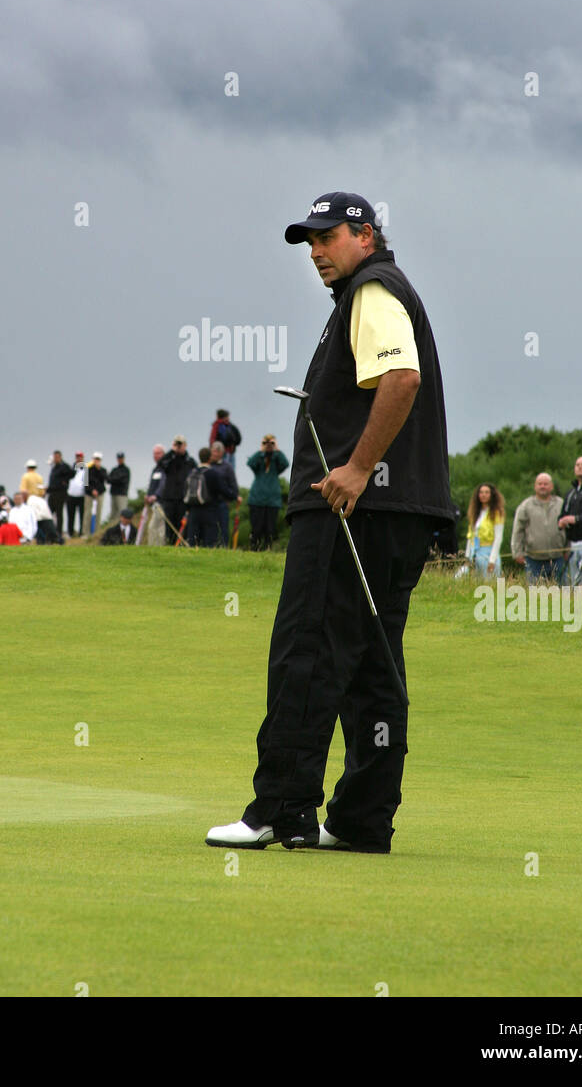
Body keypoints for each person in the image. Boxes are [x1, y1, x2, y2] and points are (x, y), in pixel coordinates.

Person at [207, 190, 455, 853]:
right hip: (399, 515)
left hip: (355, 508)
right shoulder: (376, 292)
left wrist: (353, 467)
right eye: (309, 243)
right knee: (373, 666)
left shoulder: (372, 290)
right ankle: (360, 821)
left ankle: (280, 811)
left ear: (365, 236)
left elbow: (402, 379)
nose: (316, 252)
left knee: (308, 650)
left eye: (327, 238)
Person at [511, 474, 566, 582]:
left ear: (551, 487)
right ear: (535, 487)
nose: (542, 486)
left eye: (546, 484)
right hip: (533, 560)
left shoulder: (561, 504)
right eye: (540, 484)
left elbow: (569, 528)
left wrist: (568, 549)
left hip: (558, 557)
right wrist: (517, 552)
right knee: (535, 595)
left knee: (562, 594)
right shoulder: (526, 506)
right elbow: (518, 530)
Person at [246, 434, 288, 550]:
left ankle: (268, 549)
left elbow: (286, 464)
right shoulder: (259, 459)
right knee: (256, 528)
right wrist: (261, 450)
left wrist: (277, 449)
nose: (269, 446)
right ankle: (254, 549)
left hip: (272, 500)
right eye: (266, 443)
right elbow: (250, 463)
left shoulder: (276, 460)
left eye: (271, 443)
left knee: (270, 529)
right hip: (257, 499)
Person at [559, 456, 582, 589]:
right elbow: (563, 513)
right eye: (577, 464)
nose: (580, 467)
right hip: (572, 543)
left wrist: (576, 519)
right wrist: (561, 521)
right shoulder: (571, 492)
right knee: (574, 583)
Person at [158, 437, 197, 544]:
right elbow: (160, 464)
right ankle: (170, 544)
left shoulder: (190, 461)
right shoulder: (170, 460)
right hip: (169, 498)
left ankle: (180, 545)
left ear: (185, 445)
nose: (179, 446)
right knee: (169, 525)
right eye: (177, 444)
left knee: (182, 525)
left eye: (181, 444)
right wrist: (172, 451)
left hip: (182, 499)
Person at [184, 448, 225, 546]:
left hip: (193, 510)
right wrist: (234, 496)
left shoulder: (191, 472)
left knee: (193, 541)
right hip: (209, 510)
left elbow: (185, 491)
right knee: (209, 542)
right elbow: (222, 490)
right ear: (210, 458)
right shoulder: (213, 473)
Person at [464, 483, 505, 577]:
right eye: (481, 492)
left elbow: (498, 538)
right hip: (474, 553)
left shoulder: (497, 513)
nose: (483, 495)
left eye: (487, 492)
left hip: (488, 553)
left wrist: (492, 560)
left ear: (492, 495)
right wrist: (467, 557)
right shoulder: (475, 513)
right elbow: (470, 536)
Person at [209, 441, 240, 545]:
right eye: (213, 451)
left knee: (223, 528)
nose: (214, 454)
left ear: (222, 453)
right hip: (209, 503)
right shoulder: (207, 465)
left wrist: (230, 497)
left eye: (217, 452)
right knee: (210, 528)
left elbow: (233, 487)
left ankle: (223, 547)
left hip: (222, 503)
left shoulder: (227, 467)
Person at [144, 444, 167, 546]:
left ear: (163, 454)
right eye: (154, 454)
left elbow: (163, 484)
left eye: (158, 453)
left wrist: (156, 496)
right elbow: (152, 485)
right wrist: (148, 495)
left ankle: (156, 548)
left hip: (161, 502)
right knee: (156, 526)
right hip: (153, 504)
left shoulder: (165, 468)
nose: (156, 456)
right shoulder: (156, 469)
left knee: (155, 527)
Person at [46, 451, 72, 540]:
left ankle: (59, 533)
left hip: (60, 493)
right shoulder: (54, 467)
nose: (55, 459)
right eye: (54, 457)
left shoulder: (64, 466)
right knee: (49, 513)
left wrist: (65, 481)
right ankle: (50, 532)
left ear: (60, 457)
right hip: (52, 493)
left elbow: (72, 473)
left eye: (57, 457)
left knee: (59, 514)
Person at [84, 453, 108, 535]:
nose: (97, 461)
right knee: (87, 513)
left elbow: (105, 480)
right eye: (95, 459)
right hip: (89, 494)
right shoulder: (88, 469)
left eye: (98, 459)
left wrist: (98, 469)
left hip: (100, 494)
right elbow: (86, 483)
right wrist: (92, 490)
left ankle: (96, 533)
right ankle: (86, 533)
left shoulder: (103, 470)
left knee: (98, 513)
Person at [66, 453, 87, 538]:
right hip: (71, 495)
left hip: (81, 496)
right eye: (77, 457)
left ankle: (82, 532)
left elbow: (86, 483)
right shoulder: (71, 468)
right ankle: (70, 533)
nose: (78, 458)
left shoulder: (85, 468)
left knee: (82, 515)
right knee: (70, 515)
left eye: (80, 457)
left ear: (82, 458)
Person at [107, 453, 131, 523]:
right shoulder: (115, 469)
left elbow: (121, 481)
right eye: (119, 458)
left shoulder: (126, 470)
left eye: (121, 458)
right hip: (113, 493)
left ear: (123, 459)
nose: (120, 460)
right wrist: (115, 479)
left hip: (122, 494)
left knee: (122, 513)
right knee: (113, 514)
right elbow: (108, 479)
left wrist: (114, 479)